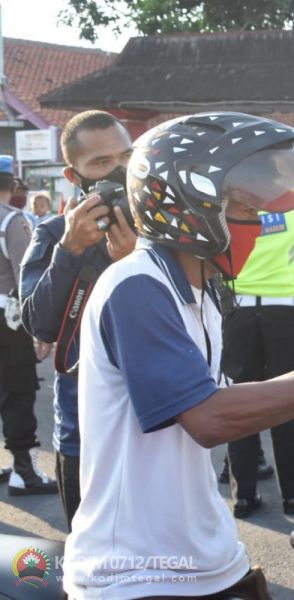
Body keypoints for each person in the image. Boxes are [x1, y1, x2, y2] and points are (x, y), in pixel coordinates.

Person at [62, 112, 294, 599]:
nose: (260, 226)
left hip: (202, 555)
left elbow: (223, 397)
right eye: (245, 210)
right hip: (138, 571)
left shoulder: (199, 292)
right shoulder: (137, 287)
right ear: (190, 211)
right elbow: (208, 419)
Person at [19, 110, 136, 526]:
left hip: (156, 423)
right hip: (82, 430)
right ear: (74, 175)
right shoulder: (53, 234)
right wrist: (70, 252)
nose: (119, 171)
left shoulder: (159, 228)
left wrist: (134, 263)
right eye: (101, 163)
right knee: (90, 552)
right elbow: (40, 324)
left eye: (125, 157)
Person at [219, 134, 294, 519]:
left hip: (237, 315)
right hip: (285, 315)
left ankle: (244, 496)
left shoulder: (229, 210)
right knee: (287, 403)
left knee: (240, 405)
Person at [0, 155, 54, 496]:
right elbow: (26, 277)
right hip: (7, 320)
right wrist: (41, 327)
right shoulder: (12, 220)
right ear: (13, 184)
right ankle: (24, 470)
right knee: (19, 390)